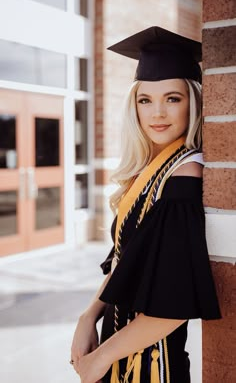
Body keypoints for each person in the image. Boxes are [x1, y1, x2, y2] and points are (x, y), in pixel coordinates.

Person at [70, 26, 221, 383]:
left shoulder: (185, 176)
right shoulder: (153, 170)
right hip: (120, 346)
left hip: (153, 366)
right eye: (145, 100)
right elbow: (122, 262)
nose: (157, 113)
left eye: (173, 98)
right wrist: (88, 316)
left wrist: (99, 359)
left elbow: (175, 305)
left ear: (194, 102)